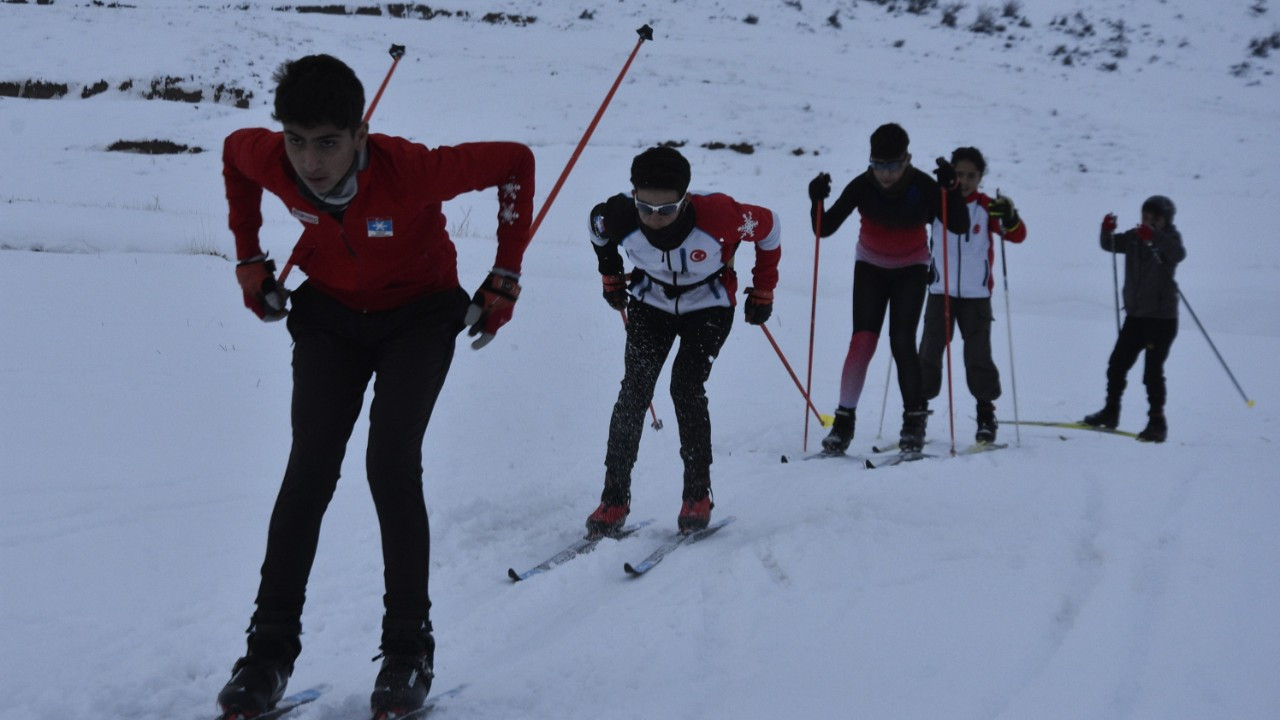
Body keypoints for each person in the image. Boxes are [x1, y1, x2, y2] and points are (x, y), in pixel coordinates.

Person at [216, 54, 535, 719]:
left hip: (418, 315)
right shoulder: (268, 157)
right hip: (329, 315)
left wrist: (506, 272)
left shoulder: (412, 169)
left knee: (390, 464)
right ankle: (267, 653)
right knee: (309, 469)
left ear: (361, 135)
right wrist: (249, 257)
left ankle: (408, 651)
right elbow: (233, 157)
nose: (311, 161)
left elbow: (514, 161)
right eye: (298, 141)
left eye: (329, 142)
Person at [584, 146, 780, 536]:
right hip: (650, 303)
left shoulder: (721, 216)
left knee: (685, 386)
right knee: (634, 391)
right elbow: (596, 227)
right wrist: (610, 275)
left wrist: (764, 290)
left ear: (685, 199)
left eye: (667, 210)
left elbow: (770, 228)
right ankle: (614, 499)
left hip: (707, 305)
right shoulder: (619, 215)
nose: (655, 220)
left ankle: (697, 494)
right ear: (633, 195)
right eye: (646, 208)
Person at [808, 123, 969, 454]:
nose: (884, 173)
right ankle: (843, 422)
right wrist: (816, 200)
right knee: (862, 341)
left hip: (911, 268)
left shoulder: (923, 186)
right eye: (878, 164)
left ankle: (914, 422)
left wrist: (951, 190)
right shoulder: (863, 185)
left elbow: (960, 225)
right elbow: (824, 228)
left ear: (907, 159)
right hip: (870, 268)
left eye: (892, 165)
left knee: (902, 341)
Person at [918, 147, 1027, 444]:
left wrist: (1010, 215)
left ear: (981, 177)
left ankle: (985, 415)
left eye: (972, 175)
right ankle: (917, 415)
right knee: (928, 354)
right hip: (940, 292)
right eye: (960, 174)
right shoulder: (938, 201)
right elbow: (913, 220)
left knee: (978, 356)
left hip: (976, 296)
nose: (964, 181)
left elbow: (1017, 235)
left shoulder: (986, 206)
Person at [1082, 195, 1186, 442]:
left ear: (1166, 221)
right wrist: (1106, 230)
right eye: (1145, 217)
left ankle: (1157, 422)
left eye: (1155, 219)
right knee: (1116, 365)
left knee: (1152, 373)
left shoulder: (1169, 239)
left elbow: (1178, 254)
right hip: (1136, 317)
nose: (1148, 223)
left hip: (1161, 320)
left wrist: (1155, 237)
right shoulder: (1135, 238)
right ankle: (1111, 411)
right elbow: (1110, 245)